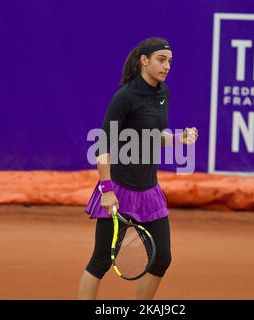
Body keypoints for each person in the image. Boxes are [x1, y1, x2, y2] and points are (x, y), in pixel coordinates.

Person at [77, 37, 198, 300]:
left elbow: (152, 136)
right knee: (100, 262)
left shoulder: (162, 93)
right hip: (119, 191)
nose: (167, 66)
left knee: (162, 258)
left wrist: (180, 138)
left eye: (170, 61)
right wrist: (106, 189)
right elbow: (103, 146)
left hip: (149, 193)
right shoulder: (125, 97)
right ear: (144, 61)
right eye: (161, 60)